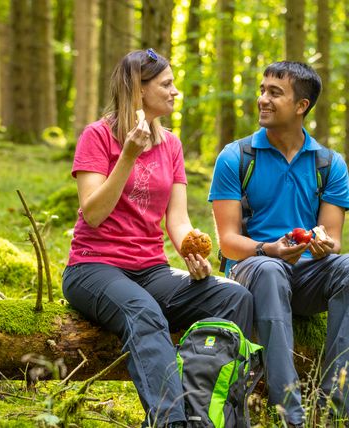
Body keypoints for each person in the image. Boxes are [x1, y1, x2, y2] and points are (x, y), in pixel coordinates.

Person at [62, 49, 253, 428]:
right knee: (143, 311)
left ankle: (212, 413)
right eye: (166, 84)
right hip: (92, 267)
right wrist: (128, 155)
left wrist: (189, 249)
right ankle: (171, 421)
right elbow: (93, 213)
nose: (175, 91)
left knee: (234, 296)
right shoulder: (96, 136)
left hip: (151, 269)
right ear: (138, 90)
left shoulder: (172, 145)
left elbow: (177, 219)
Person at [209, 61, 349, 427]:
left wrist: (321, 244)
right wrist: (269, 249)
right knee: (268, 270)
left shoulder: (329, 163)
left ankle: (333, 409)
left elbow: (334, 238)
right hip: (253, 271)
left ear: (302, 106)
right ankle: (289, 413)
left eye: (274, 93)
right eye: (262, 90)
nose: (262, 99)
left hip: (305, 274)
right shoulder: (236, 157)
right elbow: (229, 244)